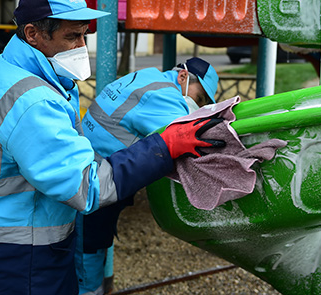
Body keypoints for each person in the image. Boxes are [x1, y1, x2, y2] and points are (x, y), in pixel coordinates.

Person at [0, 0, 225, 295]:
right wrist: (164, 146)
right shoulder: (32, 101)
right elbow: (85, 187)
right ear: (33, 34)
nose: (81, 47)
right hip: (15, 256)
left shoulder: (3, 72)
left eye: (84, 35)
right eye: (71, 36)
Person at [76, 57, 219, 294]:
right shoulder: (163, 95)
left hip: (92, 166)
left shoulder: (148, 77)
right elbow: (185, 134)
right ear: (183, 77)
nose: (198, 105)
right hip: (98, 180)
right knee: (89, 246)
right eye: (199, 97)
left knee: (90, 243)